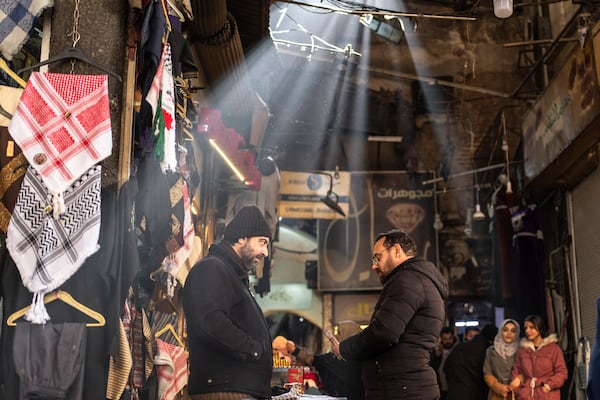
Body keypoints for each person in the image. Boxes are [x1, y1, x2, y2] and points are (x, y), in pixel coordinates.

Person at [330, 229, 449, 400]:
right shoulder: (418, 280)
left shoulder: (407, 280)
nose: (374, 265)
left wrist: (344, 348)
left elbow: (383, 333)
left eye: (378, 257)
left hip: (402, 390)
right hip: (407, 387)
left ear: (396, 250)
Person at [182, 205, 273, 400]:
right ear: (242, 238)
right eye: (262, 242)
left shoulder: (231, 274)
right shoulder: (212, 269)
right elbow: (210, 323)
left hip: (235, 390)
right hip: (225, 391)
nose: (265, 252)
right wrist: (253, 349)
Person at [273, 320, 365, 400]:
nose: (335, 335)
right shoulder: (353, 357)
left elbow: (314, 360)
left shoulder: (347, 360)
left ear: (347, 336)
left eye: (339, 333)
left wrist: (294, 350)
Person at [510, 314, 567, 400]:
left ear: (540, 328)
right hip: (526, 397)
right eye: (526, 328)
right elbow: (516, 370)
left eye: (531, 327)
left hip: (547, 396)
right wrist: (520, 391)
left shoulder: (553, 349)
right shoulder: (522, 351)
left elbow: (562, 372)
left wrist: (548, 386)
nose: (528, 331)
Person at [444, 323, 498, 400]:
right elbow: (486, 376)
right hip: (475, 395)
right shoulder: (487, 351)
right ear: (492, 340)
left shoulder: (459, 347)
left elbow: (446, 368)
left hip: (454, 393)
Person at [483, 319, 520, 400]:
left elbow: (526, 372)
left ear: (517, 334)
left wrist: (518, 381)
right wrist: (498, 387)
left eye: (513, 331)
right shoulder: (491, 350)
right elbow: (487, 373)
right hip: (497, 395)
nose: (509, 333)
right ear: (500, 331)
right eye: (505, 330)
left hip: (517, 394)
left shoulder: (522, 350)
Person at [430, 327, 459, 400]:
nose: (448, 341)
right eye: (445, 339)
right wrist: (436, 357)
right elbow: (433, 368)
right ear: (441, 339)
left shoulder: (458, 349)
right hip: (441, 387)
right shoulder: (437, 350)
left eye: (450, 338)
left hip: (454, 386)